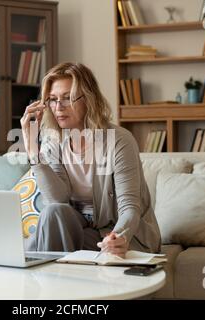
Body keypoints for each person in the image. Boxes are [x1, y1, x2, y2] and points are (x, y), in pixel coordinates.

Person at [21, 62, 161, 257]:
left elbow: (129, 207)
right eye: (52, 99)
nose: (58, 107)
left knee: (36, 248)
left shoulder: (119, 140)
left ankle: (46, 274)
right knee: (53, 212)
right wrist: (33, 153)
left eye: (68, 98)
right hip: (78, 230)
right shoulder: (53, 141)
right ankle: (51, 280)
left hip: (115, 233)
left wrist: (118, 237)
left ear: (88, 98)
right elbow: (57, 200)